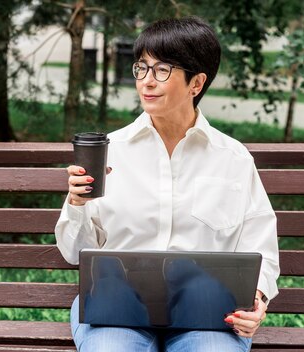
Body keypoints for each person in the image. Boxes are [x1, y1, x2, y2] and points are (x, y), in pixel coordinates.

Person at [55, 16, 279, 352]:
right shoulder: (109, 152)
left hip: (207, 313)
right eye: (142, 68)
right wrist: (77, 205)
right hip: (118, 309)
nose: (147, 81)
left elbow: (262, 246)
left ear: (196, 83)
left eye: (162, 70)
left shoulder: (232, 158)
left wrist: (257, 298)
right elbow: (74, 253)